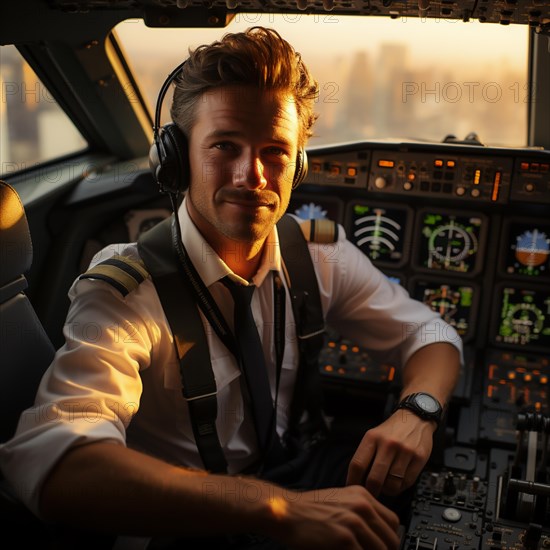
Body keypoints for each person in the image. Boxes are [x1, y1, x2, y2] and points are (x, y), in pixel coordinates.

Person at [0, 27, 461, 549]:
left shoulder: (316, 255)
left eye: (275, 152)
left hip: (294, 469)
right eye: (225, 145)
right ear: (176, 156)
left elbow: (429, 332)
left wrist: (418, 411)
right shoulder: (126, 289)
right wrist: (274, 509)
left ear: (299, 165)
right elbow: (55, 462)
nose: (252, 175)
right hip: (189, 520)